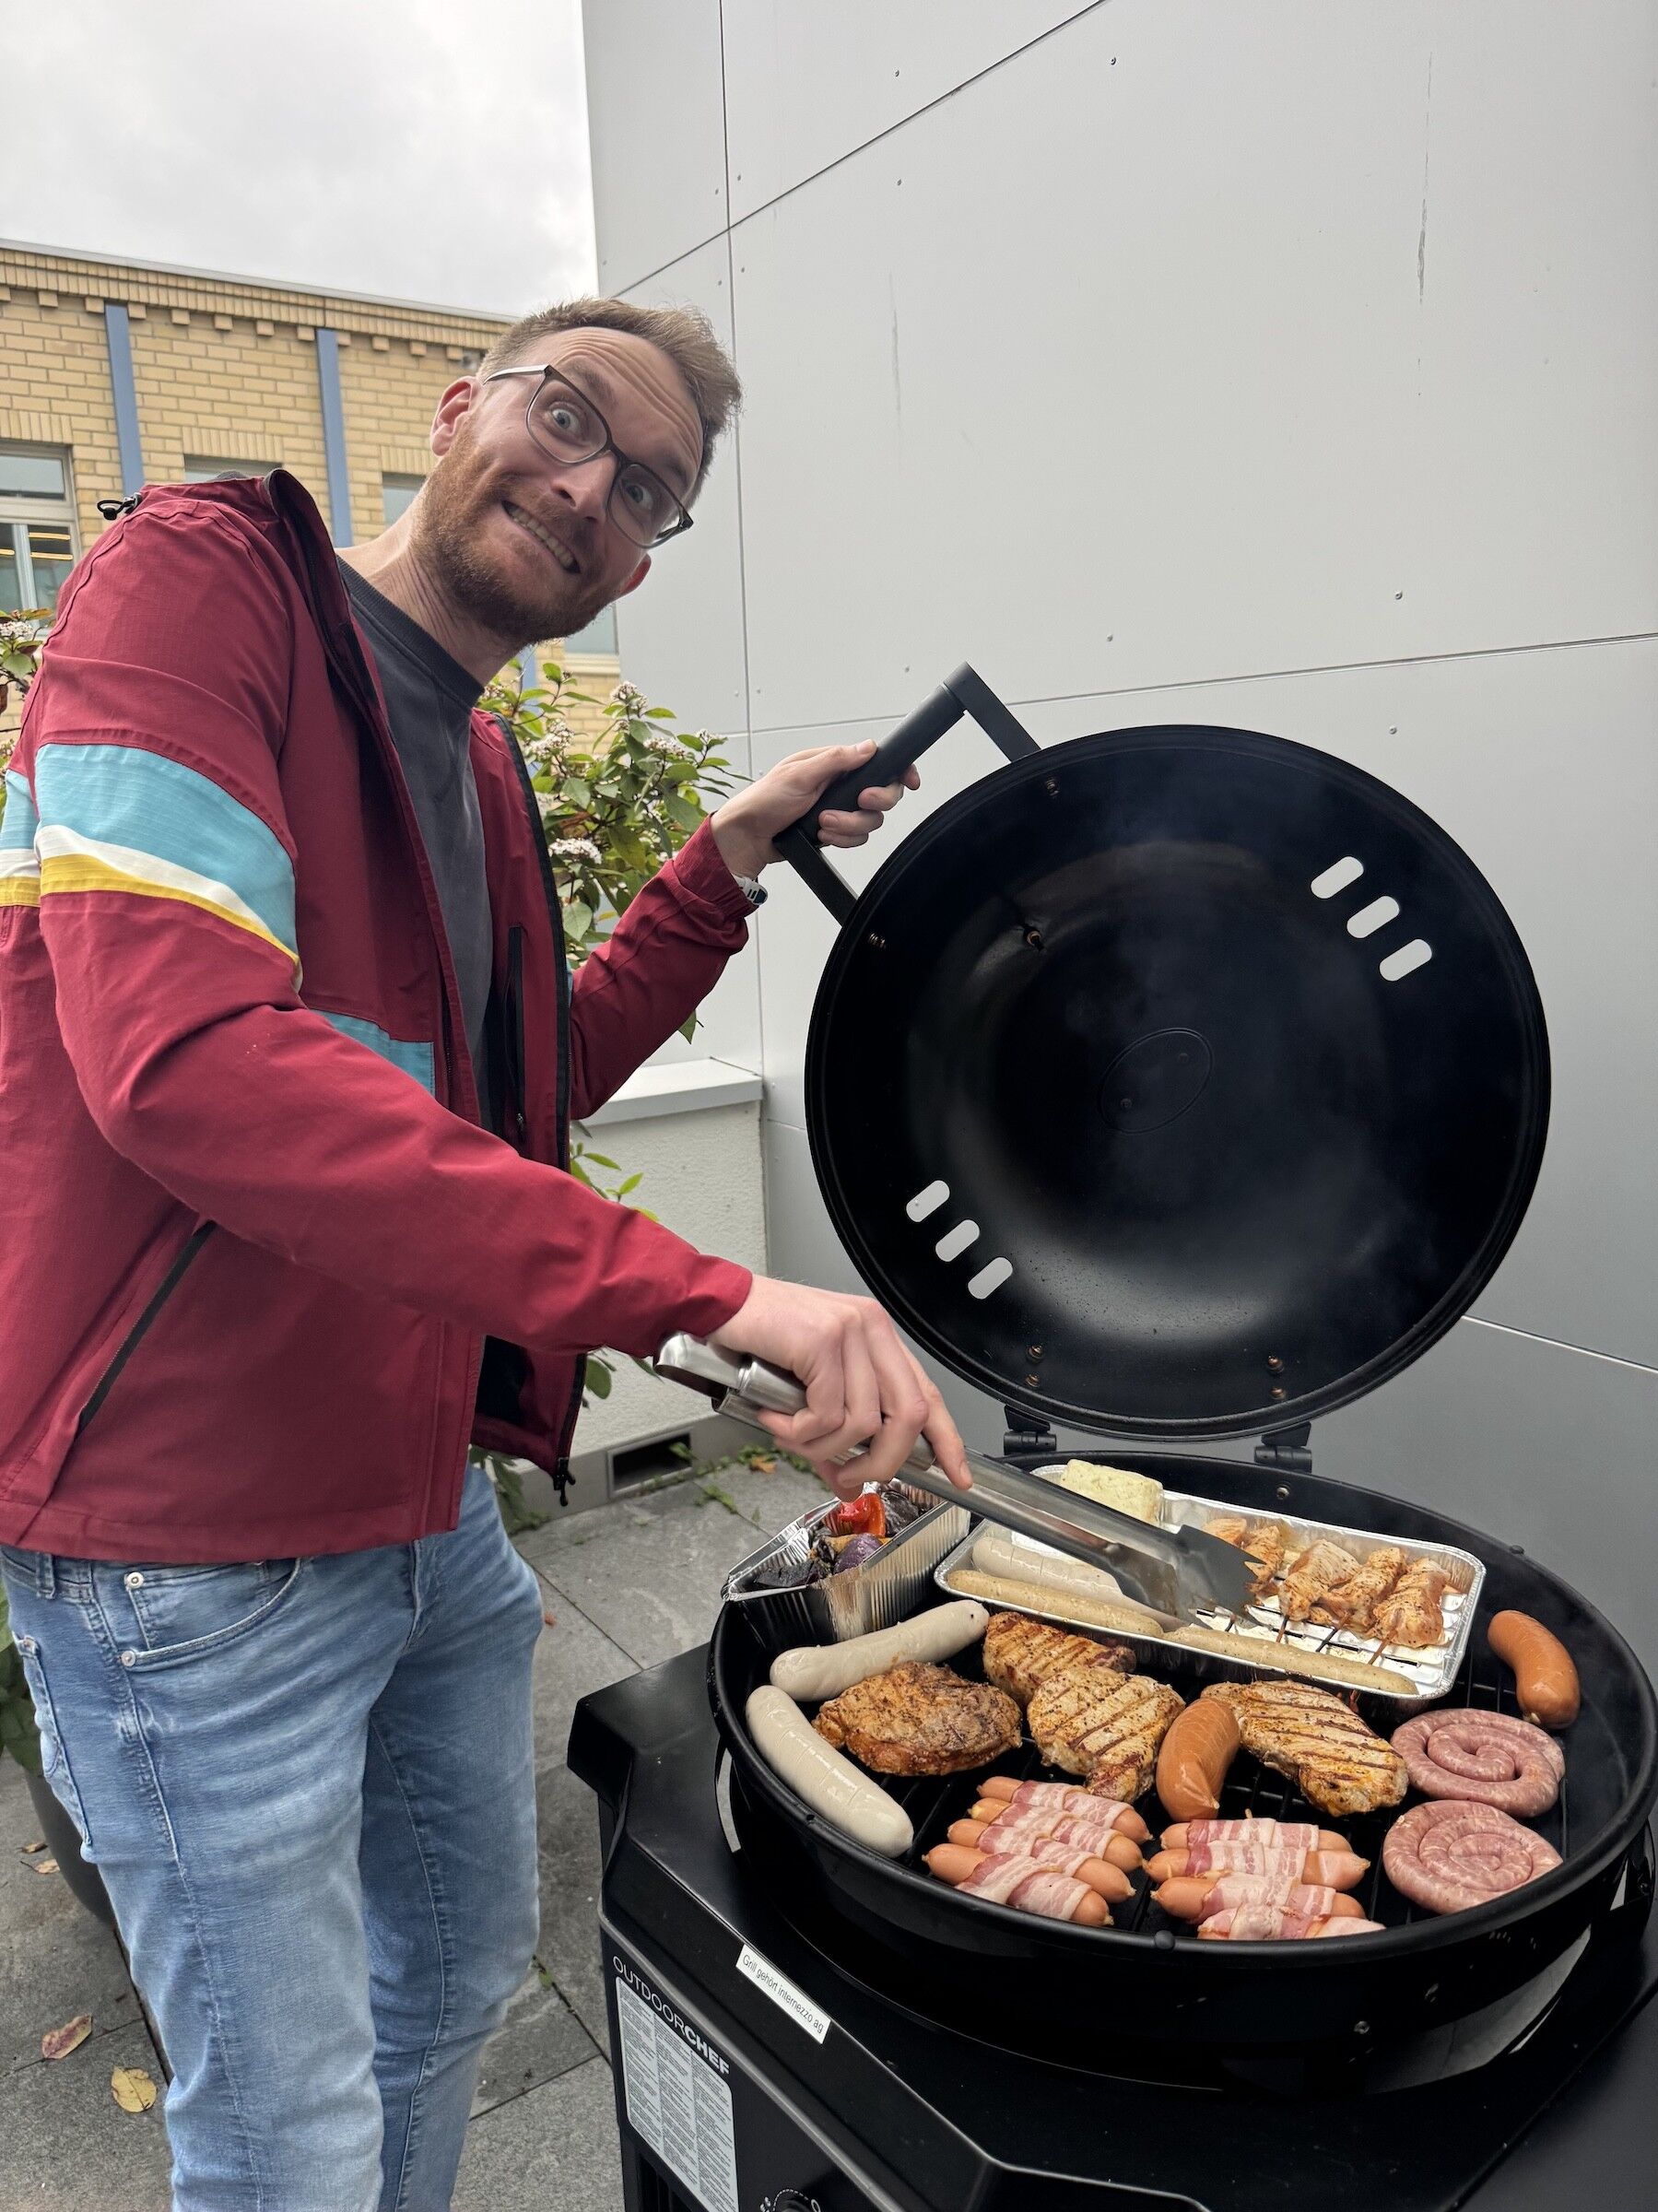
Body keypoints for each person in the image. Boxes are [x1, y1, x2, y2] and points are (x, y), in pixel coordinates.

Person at [0, 294, 969, 2211]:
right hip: (185, 1555)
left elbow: (517, 1100)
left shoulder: (483, 764)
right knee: (287, 2127)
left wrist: (727, 866)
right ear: (456, 409)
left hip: (421, 1513)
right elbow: (188, 1066)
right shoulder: (198, 593)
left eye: (656, 493)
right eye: (570, 418)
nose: (596, 489)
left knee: (443, 1986)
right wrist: (718, 1291)